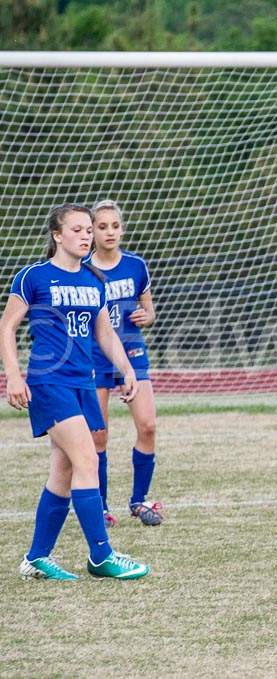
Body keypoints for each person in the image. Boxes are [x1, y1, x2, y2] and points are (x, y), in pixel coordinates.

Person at [1, 203, 150, 580]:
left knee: (64, 470)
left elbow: (104, 332)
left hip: (84, 382)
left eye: (89, 230)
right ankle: (102, 556)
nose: (86, 236)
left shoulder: (92, 279)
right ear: (57, 235)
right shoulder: (33, 277)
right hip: (49, 382)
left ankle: (36, 557)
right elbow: (7, 326)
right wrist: (14, 376)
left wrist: (127, 370)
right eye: (79, 230)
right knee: (88, 459)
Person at [85, 200, 162, 527]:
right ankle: (100, 507)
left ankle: (139, 500)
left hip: (131, 353)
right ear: (92, 232)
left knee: (148, 426)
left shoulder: (136, 266)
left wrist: (148, 316)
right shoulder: (83, 267)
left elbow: (150, 310)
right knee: (98, 436)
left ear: (122, 228)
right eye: (101, 227)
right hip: (94, 355)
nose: (109, 232)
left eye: (114, 226)